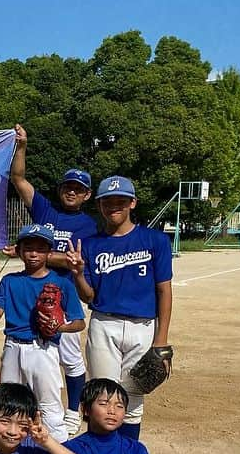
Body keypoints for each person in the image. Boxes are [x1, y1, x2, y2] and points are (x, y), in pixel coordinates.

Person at [64, 176, 173, 440]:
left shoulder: (155, 240)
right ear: (99, 205)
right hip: (104, 323)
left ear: (132, 203)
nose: (114, 206)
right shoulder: (90, 245)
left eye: (120, 201)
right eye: (107, 202)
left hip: (143, 326)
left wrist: (161, 340)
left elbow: (164, 290)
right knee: (103, 395)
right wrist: (78, 274)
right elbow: (89, 296)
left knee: (133, 398)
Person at [0, 223, 85, 454]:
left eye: (41, 248)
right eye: (28, 247)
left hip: (44, 349)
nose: (33, 253)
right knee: (7, 410)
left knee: (51, 413)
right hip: (13, 347)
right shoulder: (11, 281)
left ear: (49, 251)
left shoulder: (62, 282)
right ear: (18, 250)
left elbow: (79, 322)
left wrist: (61, 325)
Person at [7, 124, 98, 435]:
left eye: (78, 188)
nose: (71, 191)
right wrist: (22, 145)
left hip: (64, 297)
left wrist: (34, 253)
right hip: (34, 292)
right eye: (67, 186)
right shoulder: (46, 209)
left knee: (70, 360)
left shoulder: (88, 225)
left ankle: (73, 410)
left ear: (87, 195)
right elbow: (18, 180)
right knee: (33, 359)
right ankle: (31, 413)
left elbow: (76, 260)